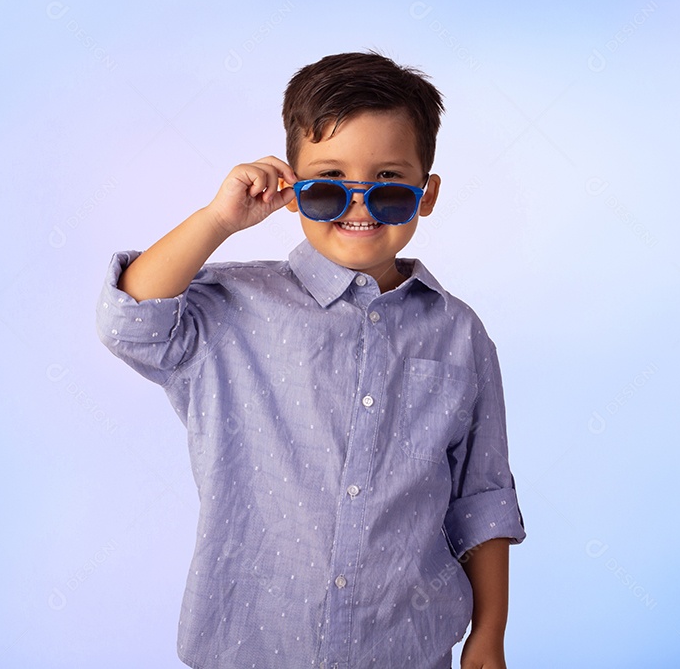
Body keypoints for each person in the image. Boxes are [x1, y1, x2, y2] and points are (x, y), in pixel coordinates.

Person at [97, 51, 525, 669]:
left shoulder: (459, 334)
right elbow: (128, 320)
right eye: (328, 185)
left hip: (408, 649)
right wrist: (219, 219)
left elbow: (481, 495)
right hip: (252, 647)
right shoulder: (231, 308)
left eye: (389, 184)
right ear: (293, 191)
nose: (360, 206)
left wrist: (490, 633)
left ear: (426, 195)